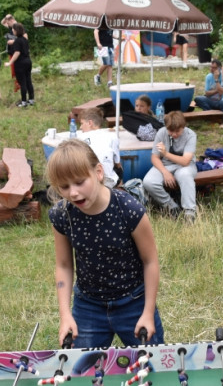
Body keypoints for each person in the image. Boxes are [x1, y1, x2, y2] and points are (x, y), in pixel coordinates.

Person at [47, 140, 163, 347]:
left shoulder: (129, 209)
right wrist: (65, 315)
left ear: (98, 172)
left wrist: (147, 312)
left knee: (151, 368)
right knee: (84, 371)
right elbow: (64, 265)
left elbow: (150, 261)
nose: (73, 193)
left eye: (80, 182)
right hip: (88, 306)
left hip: (134, 302)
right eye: (64, 187)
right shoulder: (62, 215)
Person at [143, 110, 197, 223]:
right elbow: (154, 157)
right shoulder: (161, 133)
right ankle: (172, 207)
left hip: (185, 166)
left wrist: (166, 154)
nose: (174, 134)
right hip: (166, 165)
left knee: (185, 175)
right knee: (148, 182)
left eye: (177, 131)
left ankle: (189, 213)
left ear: (183, 126)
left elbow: (185, 161)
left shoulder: (191, 135)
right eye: (170, 131)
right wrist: (165, 172)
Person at [77, 108, 121, 188]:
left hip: (86, 182)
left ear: (90, 123)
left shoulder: (80, 138)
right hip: (109, 181)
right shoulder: (112, 136)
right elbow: (118, 164)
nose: (80, 127)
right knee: (119, 170)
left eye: (82, 123)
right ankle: (120, 192)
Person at [7, 22, 34, 107]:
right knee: (28, 80)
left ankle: (23, 102)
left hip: (20, 63)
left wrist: (10, 62)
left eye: (13, 30)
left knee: (22, 82)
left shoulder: (17, 41)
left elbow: (17, 53)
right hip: (28, 61)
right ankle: (31, 99)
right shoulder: (25, 39)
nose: (12, 31)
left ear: (16, 31)